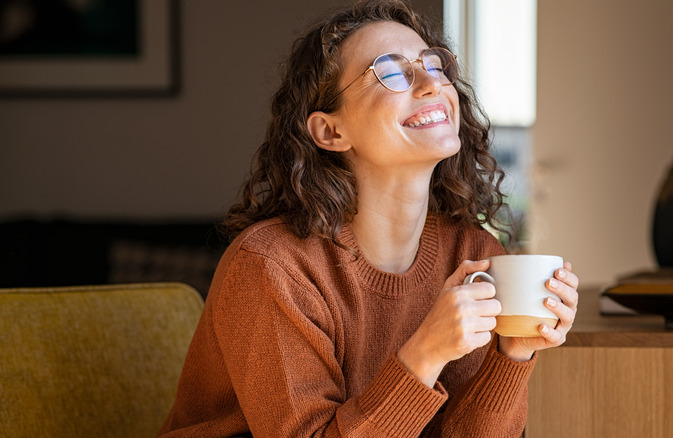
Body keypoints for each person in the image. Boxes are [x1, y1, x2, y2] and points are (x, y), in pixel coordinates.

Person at [158, 0, 579, 436]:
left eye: (434, 65)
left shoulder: (473, 254)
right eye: (392, 72)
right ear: (331, 131)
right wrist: (425, 353)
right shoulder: (272, 267)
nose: (432, 85)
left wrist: (513, 355)